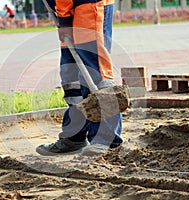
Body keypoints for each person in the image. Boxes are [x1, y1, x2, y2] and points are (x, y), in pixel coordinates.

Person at [36, 0, 123, 156]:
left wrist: (64, 21)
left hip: (87, 6)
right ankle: (74, 136)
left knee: (95, 75)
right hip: (68, 10)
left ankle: (106, 139)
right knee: (72, 79)